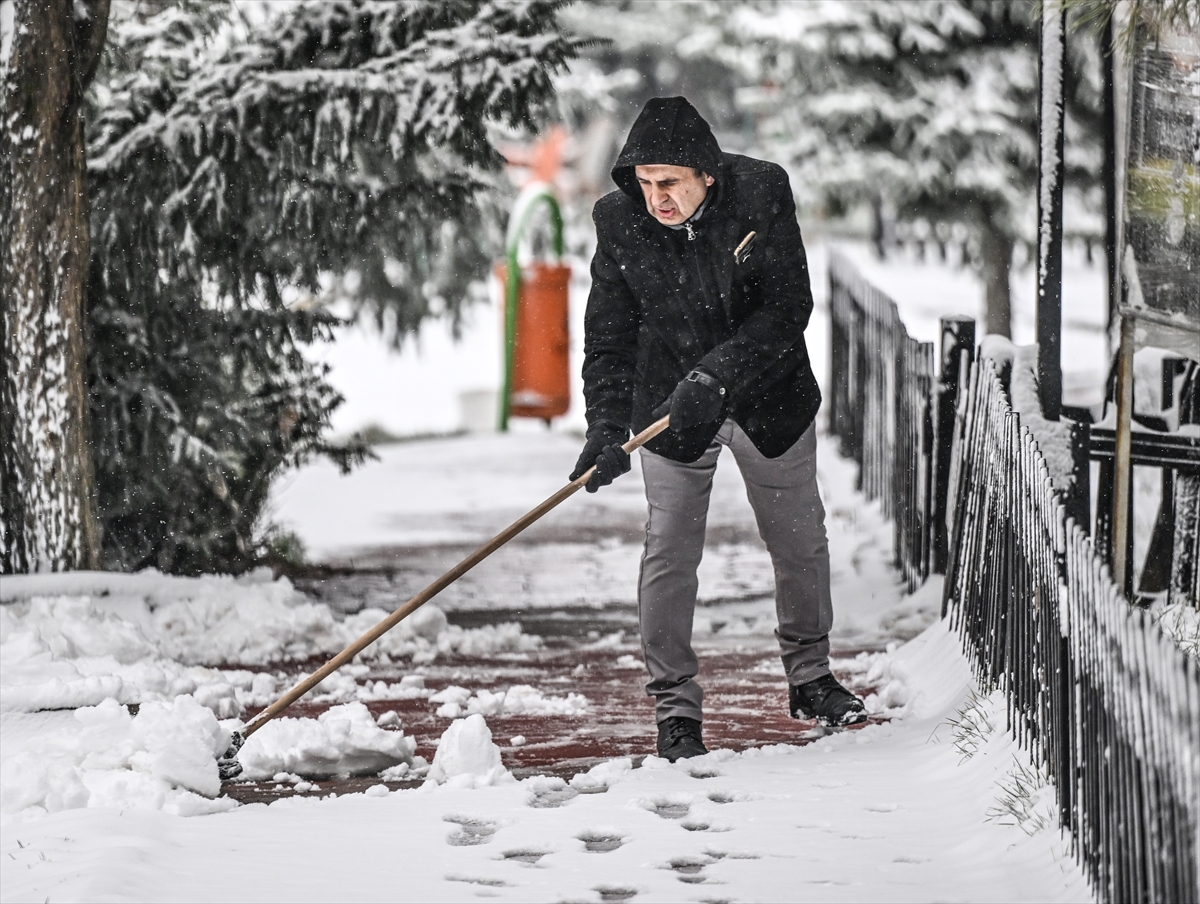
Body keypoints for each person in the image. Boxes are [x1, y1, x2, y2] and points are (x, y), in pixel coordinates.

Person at [570, 96, 866, 762]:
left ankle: (811, 678)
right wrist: (606, 427)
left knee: (798, 542)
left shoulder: (761, 192)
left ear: (705, 172)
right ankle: (674, 708)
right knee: (669, 552)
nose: (656, 199)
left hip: (769, 399)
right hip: (669, 413)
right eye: (645, 184)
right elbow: (608, 332)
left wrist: (716, 377)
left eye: (669, 183)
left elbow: (789, 307)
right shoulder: (619, 221)